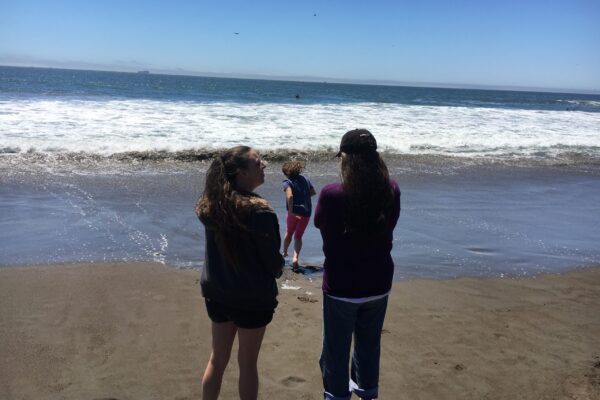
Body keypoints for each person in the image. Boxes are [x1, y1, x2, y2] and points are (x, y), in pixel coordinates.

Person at [314, 129, 401, 400]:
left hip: (343, 285)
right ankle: (367, 393)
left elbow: (319, 223)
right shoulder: (392, 189)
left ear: (346, 159)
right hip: (378, 282)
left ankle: (337, 396)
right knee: (368, 346)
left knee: (335, 352)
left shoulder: (332, 194)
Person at [195, 146, 284, 400]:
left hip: (217, 291)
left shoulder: (210, 205)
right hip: (251, 297)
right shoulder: (260, 212)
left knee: (217, 359)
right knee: (247, 364)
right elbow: (272, 263)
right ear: (242, 173)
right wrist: (279, 266)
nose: (264, 164)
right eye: (258, 163)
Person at [281, 161, 317, 271]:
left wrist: (291, 211)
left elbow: (290, 196)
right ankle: (295, 258)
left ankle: (285, 252)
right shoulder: (306, 179)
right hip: (306, 213)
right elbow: (313, 192)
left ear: (286, 173)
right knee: (298, 236)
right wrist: (303, 198)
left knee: (289, 231)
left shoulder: (287, 182)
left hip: (294, 212)